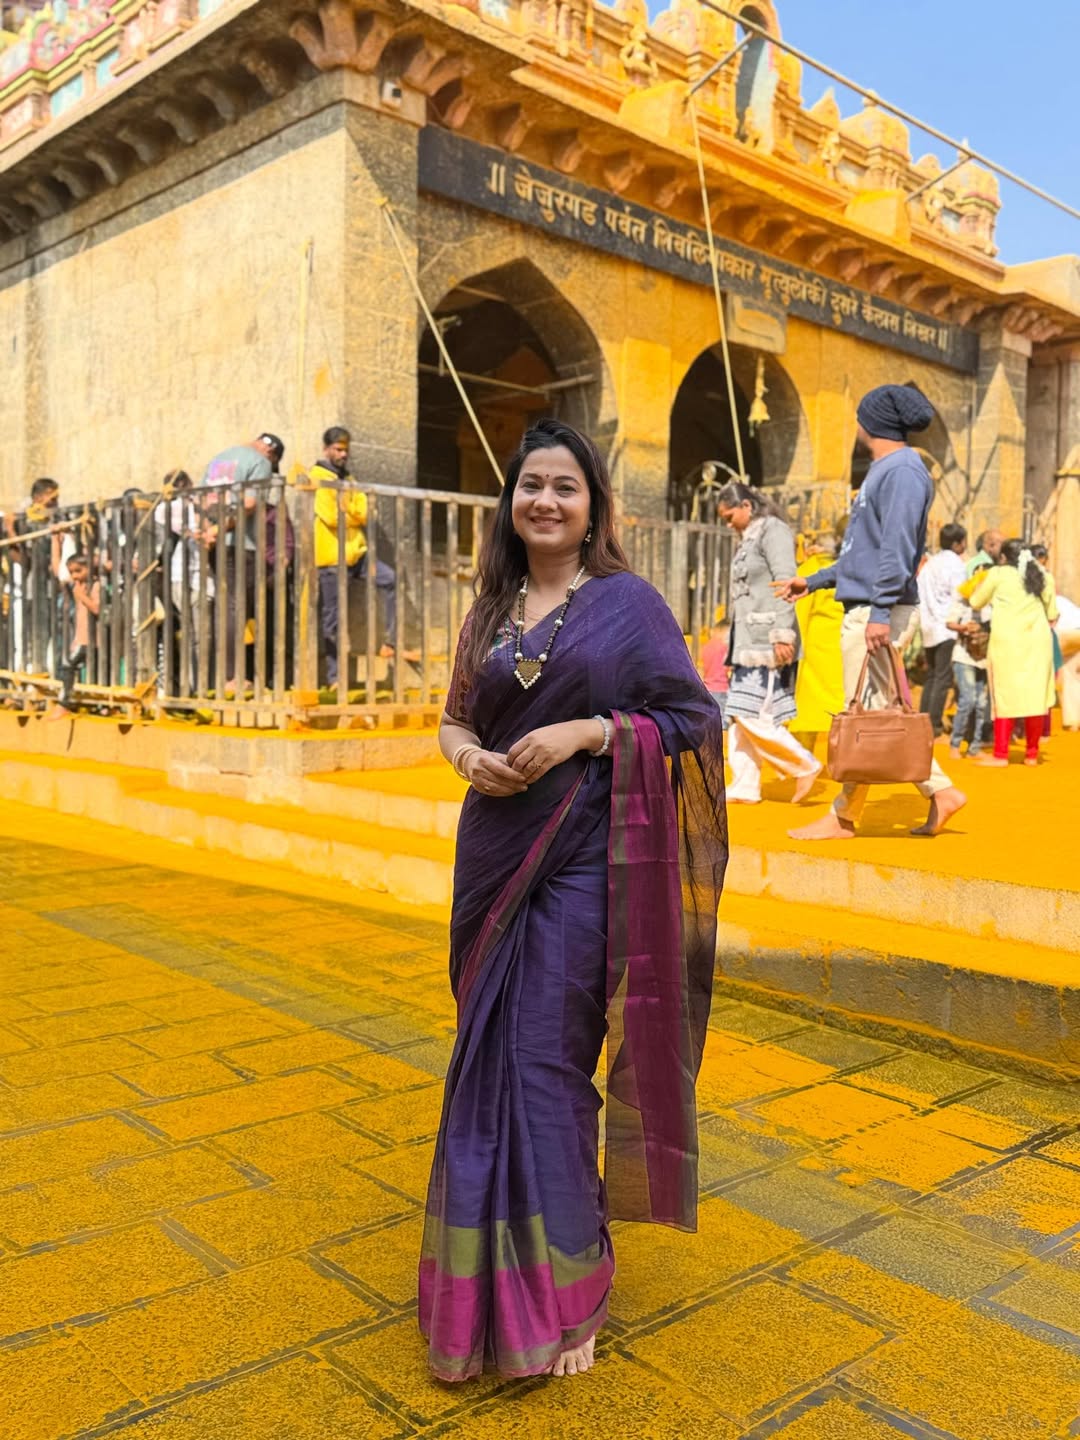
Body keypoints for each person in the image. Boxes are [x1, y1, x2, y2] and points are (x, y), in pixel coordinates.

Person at [421, 418, 727, 1382]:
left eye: (566, 486)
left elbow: (692, 718)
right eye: (530, 486)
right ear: (510, 503)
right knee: (487, 1063)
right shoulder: (491, 605)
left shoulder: (627, 605)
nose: (545, 501)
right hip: (492, 858)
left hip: (584, 865)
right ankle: (477, 1291)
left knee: (549, 1065)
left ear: (593, 505)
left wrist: (590, 731)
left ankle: (571, 1289)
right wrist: (469, 756)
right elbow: (454, 716)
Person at [774, 384, 967, 839]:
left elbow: (897, 548)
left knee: (863, 714)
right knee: (870, 712)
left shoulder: (901, 471)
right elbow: (866, 552)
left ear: (870, 422)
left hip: (878, 610)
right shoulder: (890, 470)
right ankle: (934, 794)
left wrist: (880, 611)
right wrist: (815, 581)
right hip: (871, 605)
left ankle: (849, 815)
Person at [717, 482, 820, 804]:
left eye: (729, 515)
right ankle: (745, 784)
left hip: (766, 639)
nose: (727, 523)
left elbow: (785, 581)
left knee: (752, 714)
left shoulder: (773, 531)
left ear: (747, 506)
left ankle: (803, 765)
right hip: (748, 638)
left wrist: (782, 634)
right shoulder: (748, 538)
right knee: (738, 713)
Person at [311, 426, 410, 685]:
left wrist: (349, 510)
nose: (343, 454)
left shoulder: (350, 479)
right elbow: (331, 517)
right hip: (332, 557)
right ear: (327, 449)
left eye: (345, 449)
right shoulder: (318, 476)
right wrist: (351, 509)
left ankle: (390, 641)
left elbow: (366, 513)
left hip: (357, 553)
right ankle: (333, 678)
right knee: (332, 618)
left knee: (389, 579)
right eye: (338, 449)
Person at [201, 432, 284, 694]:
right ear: (271, 453)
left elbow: (203, 501)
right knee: (237, 607)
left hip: (215, 545)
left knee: (222, 608)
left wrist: (207, 532)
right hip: (241, 545)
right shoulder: (260, 463)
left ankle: (221, 676)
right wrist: (223, 529)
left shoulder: (218, 460)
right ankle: (234, 677)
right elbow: (249, 503)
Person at [966, 539, 1058, 766]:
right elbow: (1053, 614)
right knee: (1035, 696)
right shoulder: (1044, 576)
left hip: (1007, 642)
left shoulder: (997, 574)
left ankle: (1001, 754)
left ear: (1005, 557)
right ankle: (1032, 754)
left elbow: (976, 601)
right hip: (1038, 642)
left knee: (1005, 695)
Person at [791, 531, 845, 755]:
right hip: (841, 649)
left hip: (814, 652)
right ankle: (842, 762)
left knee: (808, 710)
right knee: (839, 709)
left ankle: (805, 758)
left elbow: (799, 613)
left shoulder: (810, 570)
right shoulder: (848, 569)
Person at [917, 522, 967, 737]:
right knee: (943, 677)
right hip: (947, 626)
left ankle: (923, 720)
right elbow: (960, 595)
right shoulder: (955, 565)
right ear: (957, 544)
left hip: (929, 625)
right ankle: (933, 725)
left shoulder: (930, 563)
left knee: (933, 675)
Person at [946, 563, 991, 759]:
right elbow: (949, 622)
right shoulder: (961, 602)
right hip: (963, 656)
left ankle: (975, 747)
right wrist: (964, 628)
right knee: (967, 700)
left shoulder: (992, 605)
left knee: (981, 703)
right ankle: (955, 744)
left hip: (983, 658)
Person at [699, 615, 730, 721]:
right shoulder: (725, 648)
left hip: (707, 688)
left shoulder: (705, 647)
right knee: (722, 723)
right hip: (721, 689)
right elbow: (729, 669)